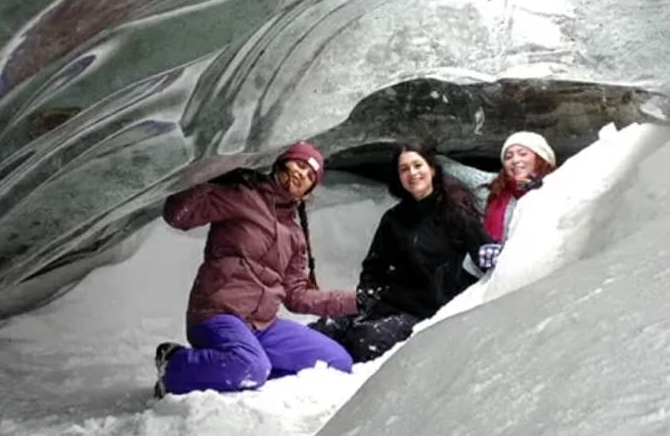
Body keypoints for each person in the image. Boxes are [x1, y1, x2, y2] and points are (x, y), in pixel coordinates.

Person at [155, 142, 359, 396]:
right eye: (300, 164)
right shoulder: (243, 196)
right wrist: (213, 170)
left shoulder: (295, 235)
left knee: (338, 363)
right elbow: (178, 216)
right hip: (218, 314)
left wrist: (357, 300)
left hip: (263, 325)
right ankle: (174, 363)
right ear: (283, 161)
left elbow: (296, 295)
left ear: (306, 193)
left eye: (309, 176)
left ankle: (238, 368)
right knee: (251, 366)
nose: (301, 174)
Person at [311, 144, 490, 363]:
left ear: (432, 169)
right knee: (325, 327)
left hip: (425, 311)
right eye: (404, 169)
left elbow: (483, 250)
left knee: (364, 341)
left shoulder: (455, 213)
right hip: (387, 301)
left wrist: (498, 258)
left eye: (417, 165)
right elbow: (374, 266)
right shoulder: (394, 218)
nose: (412, 173)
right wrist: (367, 294)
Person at [478, 131, 557, 270]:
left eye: (523, 153)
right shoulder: (497, 194)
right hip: (497, 273)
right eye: (508, 157)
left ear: (541, 158)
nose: (515, 160)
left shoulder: (559, 187)